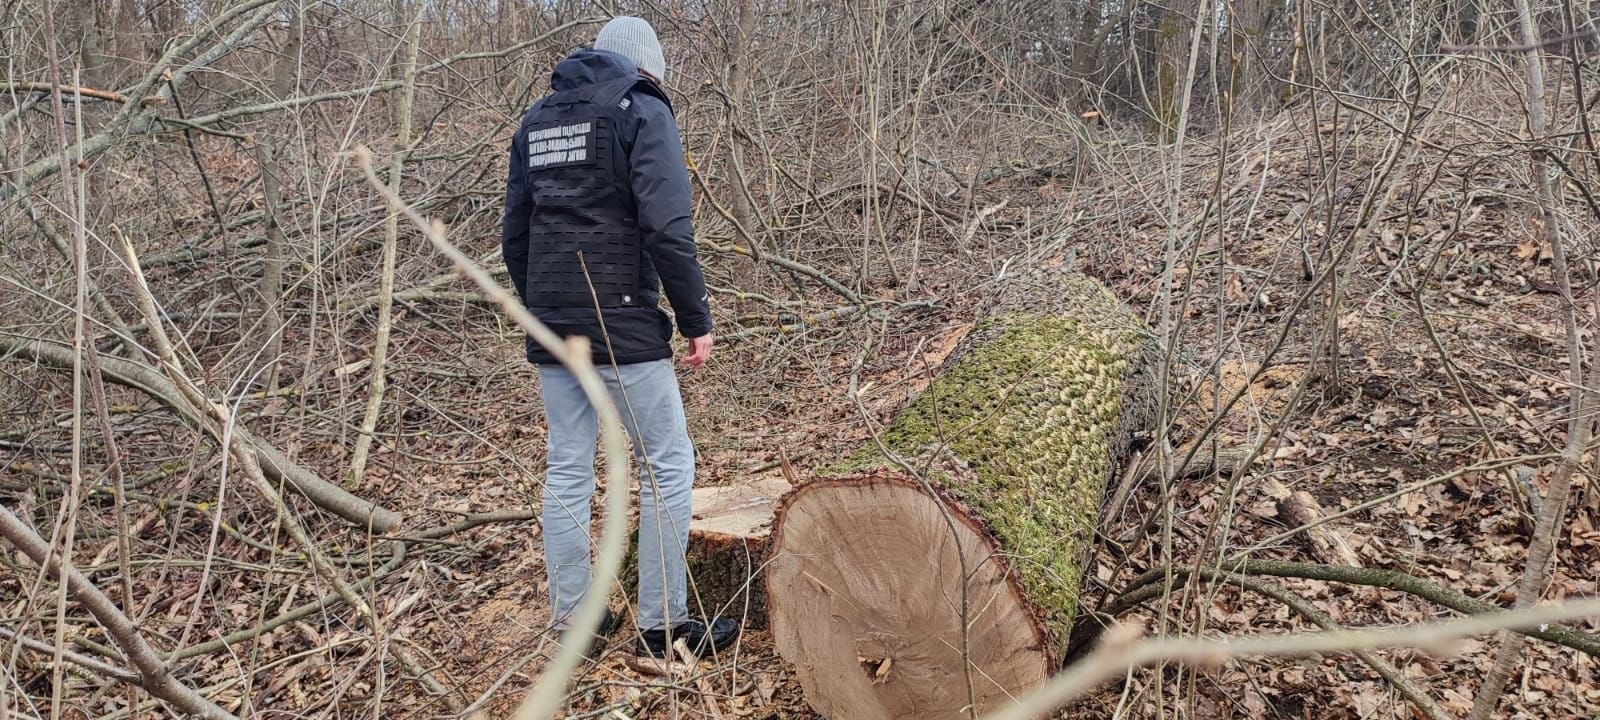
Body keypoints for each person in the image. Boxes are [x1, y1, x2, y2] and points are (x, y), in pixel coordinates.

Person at [500, 16, 737, 659]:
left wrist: (545, 306)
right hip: (623, 320)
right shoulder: (641, 108)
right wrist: (696, 318)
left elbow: (514, 235)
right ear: (646, 66)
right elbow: (666, 224)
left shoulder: (537, 120)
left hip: (553, 323)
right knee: (668, 465)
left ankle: (575, 623)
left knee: (569, 469)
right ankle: (664, 626)